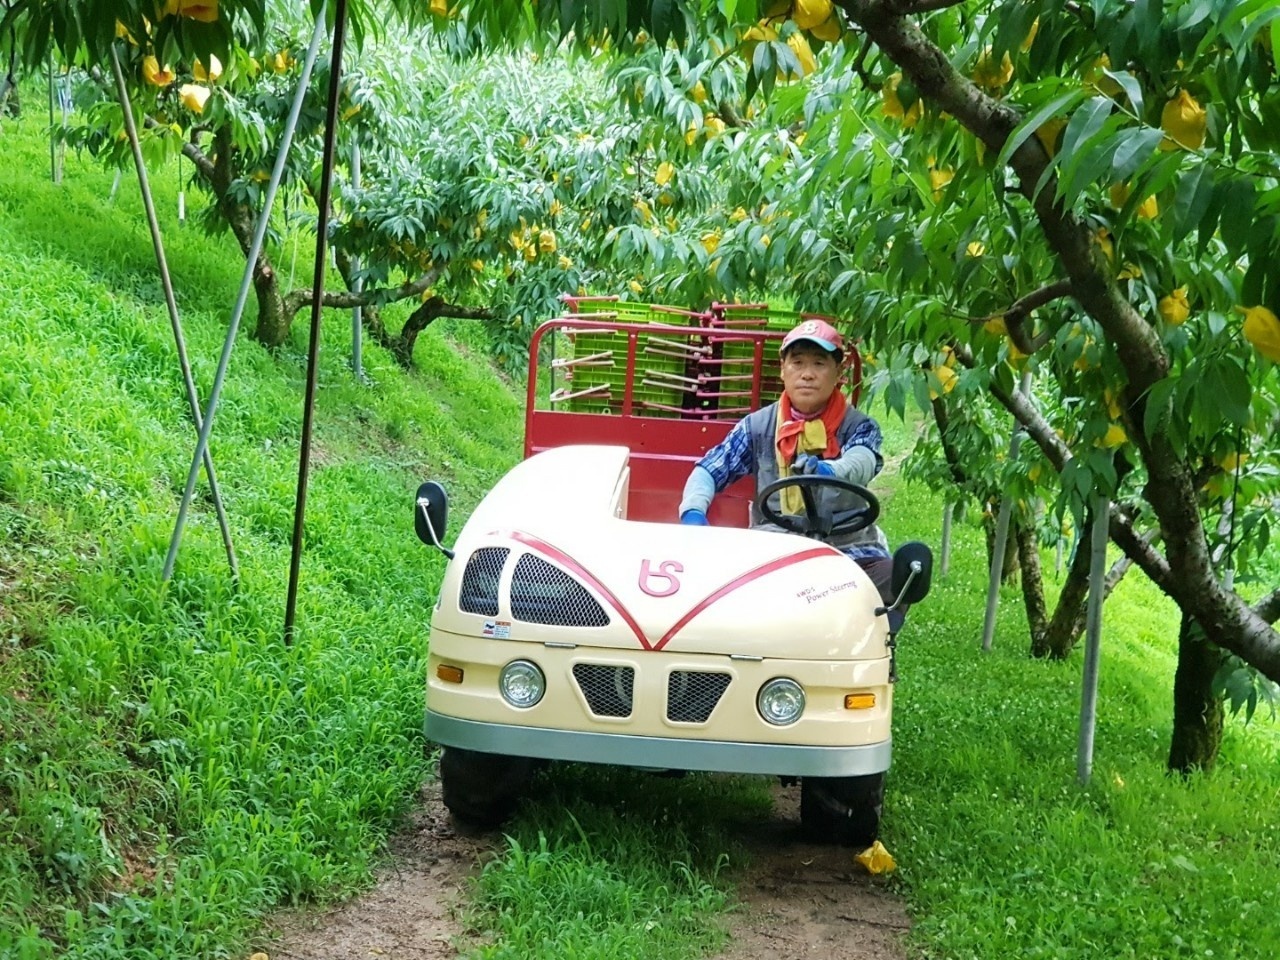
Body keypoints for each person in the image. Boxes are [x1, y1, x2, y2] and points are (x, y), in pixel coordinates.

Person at [678, 318, 898, 607]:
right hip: (774, 546)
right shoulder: (757, 426)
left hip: (848, 548)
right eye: (797, 363)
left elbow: (862, 461)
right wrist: (693, 513)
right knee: (721, 587)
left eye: (819, 364)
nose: (807, 374)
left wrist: (829, 470)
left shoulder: (860, 426)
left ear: (839, 373)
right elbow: (709, 469)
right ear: (783, 370)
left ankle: (873, 647)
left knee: (893, 578)